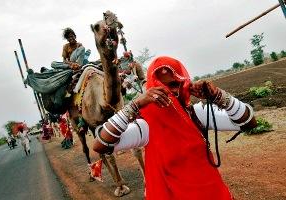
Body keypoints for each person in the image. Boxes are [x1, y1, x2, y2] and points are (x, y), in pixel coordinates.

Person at [93, 56, 257, 199]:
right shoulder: (146, 126)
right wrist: (136, 104)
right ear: (152, 89)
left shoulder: (196, 114)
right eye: (162, 88)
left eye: (174, 84)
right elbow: (101, 144)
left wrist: (217, 95)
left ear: (184, 83)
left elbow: (249, 122)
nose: (170, 92)